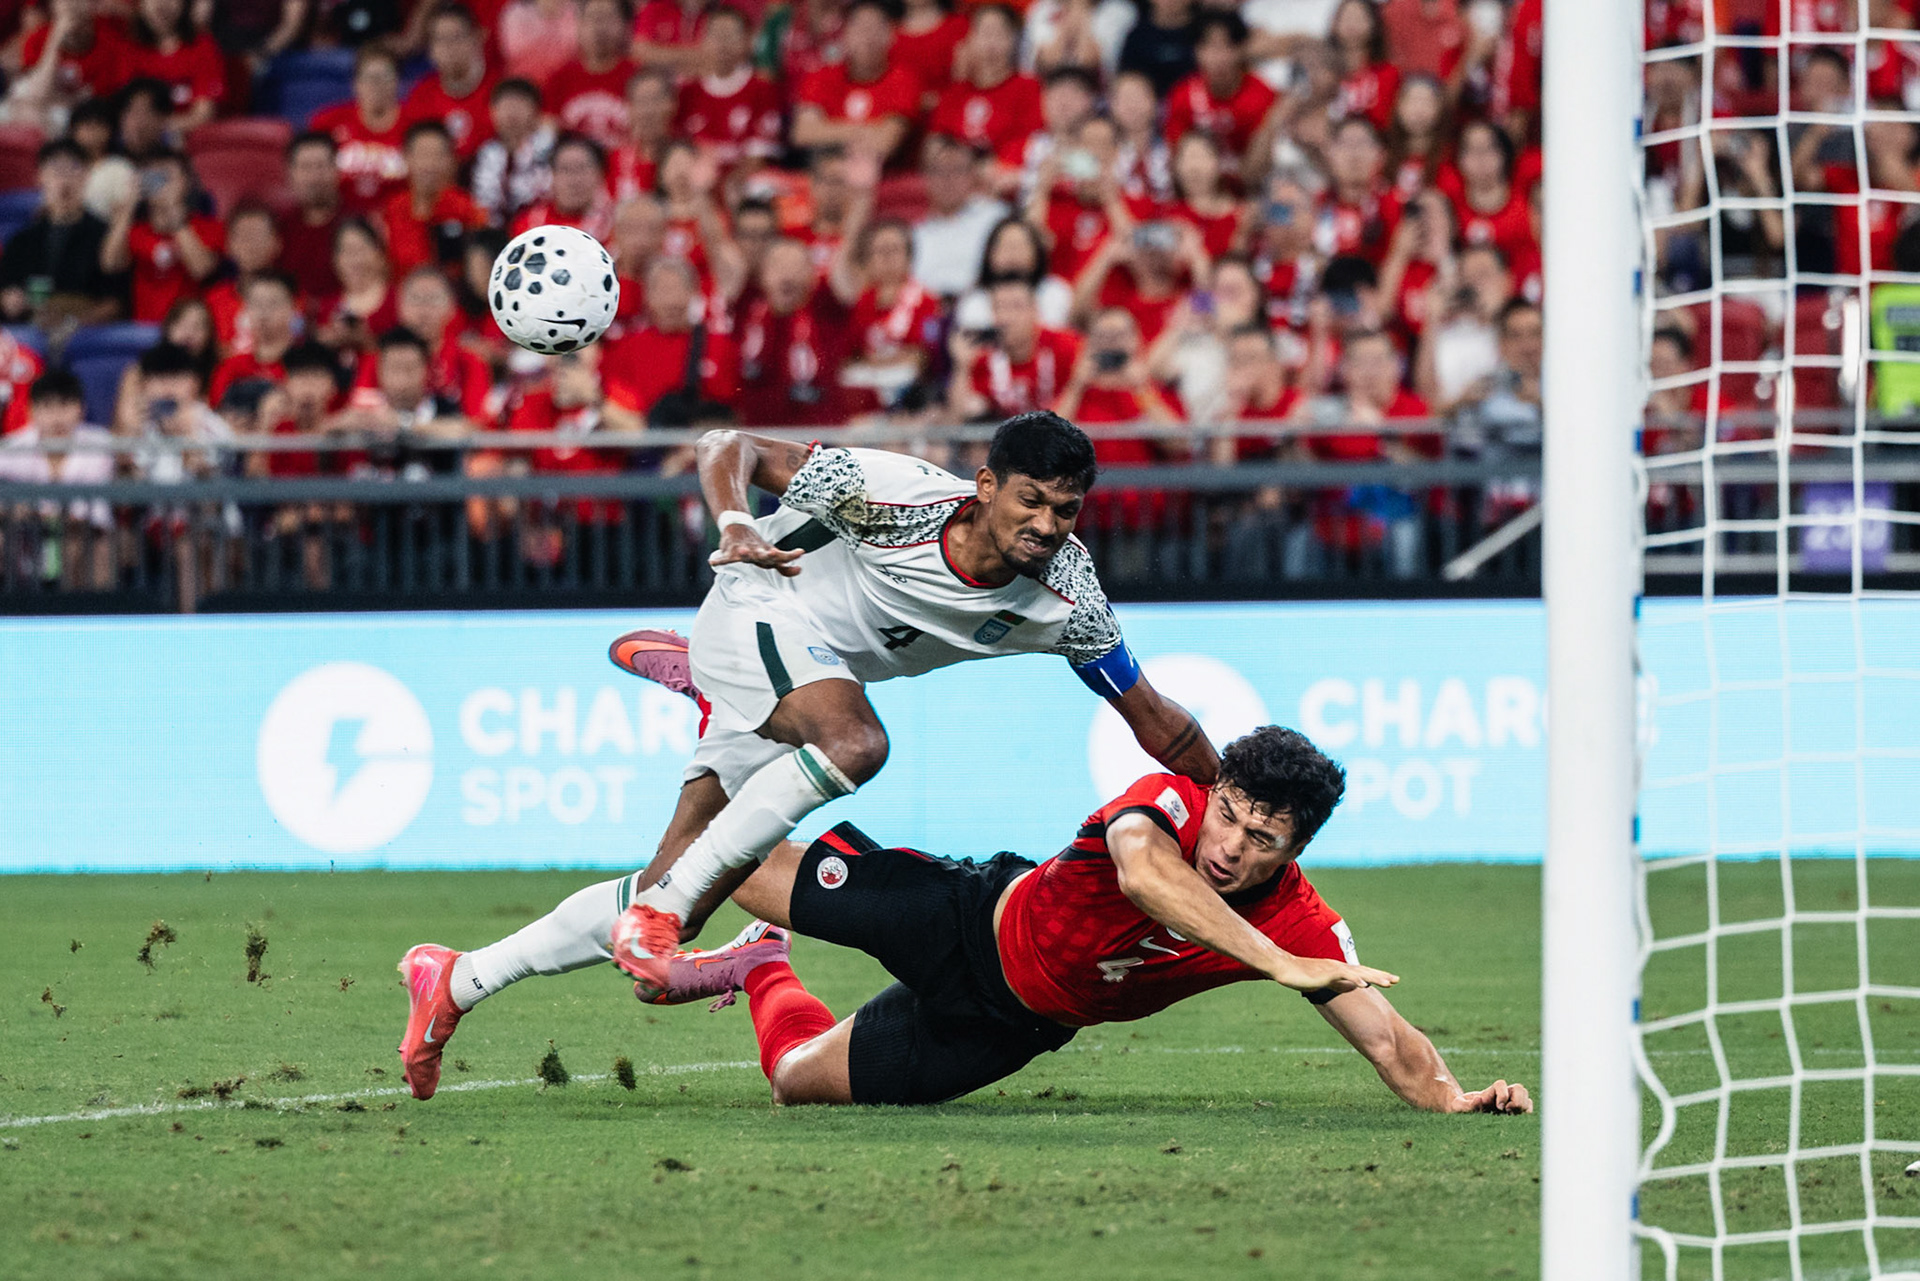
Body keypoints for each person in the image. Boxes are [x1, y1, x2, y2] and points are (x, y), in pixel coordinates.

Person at [395, 412, 1220, 1099]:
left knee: (666, 877)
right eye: (1030, 500)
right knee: (856, 743)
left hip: (807, 673)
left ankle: (457, 977)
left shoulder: (1068, 597)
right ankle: (698, 785)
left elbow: (1154, 718)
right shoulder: (892, 495)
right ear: (987, 487)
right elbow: (729, 445)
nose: (1045, 525)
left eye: (1065, 509)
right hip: (758, 602)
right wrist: (735, 523)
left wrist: (1230, 793)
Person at [633, 726, 1533, 1114]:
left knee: (795, 1084)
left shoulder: (1302, 924)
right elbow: (1145, 876)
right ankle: (741, 724)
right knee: (727, 859)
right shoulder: (1167, 801)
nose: (1231, 846)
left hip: (1013, 1026)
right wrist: (1273, 959)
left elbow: (1391, 1043)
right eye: (1229, 813)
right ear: (1212, 793)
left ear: (1293, 848)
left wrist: (1457, 1099)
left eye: (1262, 838)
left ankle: (762, 968)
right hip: (967, 916)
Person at [0, 370, 116, 592]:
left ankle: (87, 617)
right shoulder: (13, 448)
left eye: (64, 406)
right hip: (25, 536)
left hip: (83, 534)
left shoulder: (100, 444)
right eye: (47, 407)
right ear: (31, 411)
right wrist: (11, 509)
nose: (56, 418)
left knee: (88, 543)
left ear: (81, 409)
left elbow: (89, 513)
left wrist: (38, 510)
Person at [732, 237, 855, 427]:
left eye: (797, 267)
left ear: (812, 276)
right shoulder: (744, 308)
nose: (787, 275)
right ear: (762, 275)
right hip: (757, 437)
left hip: (819, 438)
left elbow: (847, 251)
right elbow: (718, 249)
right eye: (778, 266)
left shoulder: (827, 310)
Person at [0, 140, 121, 326]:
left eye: (73, 169)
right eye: (56, 170)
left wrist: (71, 324)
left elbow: (115, 302)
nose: (64, 180)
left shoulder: (105, 235)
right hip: (30, 333)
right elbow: (6, 290)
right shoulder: (21, 240)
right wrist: (8, 300)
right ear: (39, 176)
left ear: (87, 175)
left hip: (85, 335)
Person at [99, 150, 222, 326]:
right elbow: (110, 263)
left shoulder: (208, 227)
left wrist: (174, 215)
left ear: (186, 183)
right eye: (155, 178)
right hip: (143, 331)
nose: (161, 185)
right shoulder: (137, 230)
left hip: (189, 330)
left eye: (168, 177)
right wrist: (128, 207)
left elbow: (201, 270)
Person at [791, 0, 919, 165]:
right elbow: (803, 133)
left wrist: (828, 129)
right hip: (825, 171)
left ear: (890, 36)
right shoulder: (822, 75)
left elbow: (887, 141)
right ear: (845, 35)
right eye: (860, 28)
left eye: (875, 28)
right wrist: (865, 130)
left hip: (884, 174)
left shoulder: (903, 79)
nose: (867, 38)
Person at [947, 275, 1080, 419]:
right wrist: (962, 367)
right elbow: (958, 421)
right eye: (998, 308)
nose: (1006, 317)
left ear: (1035, 311)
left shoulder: (1068, 345)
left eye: (1016, 307)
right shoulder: (982, 355)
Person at [1163, 11, 1276, 177]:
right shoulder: (1183, 95)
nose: (1219, 57)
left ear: (1241, 50)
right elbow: (1176, 160)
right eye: (1209, 47)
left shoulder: (1262, 95)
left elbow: (1262, 166)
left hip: (1253, 190)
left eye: (1227, 46)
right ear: (1197, 51)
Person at [674, 6, 782, 177]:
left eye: (730, 35)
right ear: (703, 40)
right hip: (696, 185)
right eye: (716, 35)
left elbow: (760, 156)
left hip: (741, 185)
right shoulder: (687, 92)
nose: (723, 43)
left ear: (747, 41)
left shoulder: (762, 89)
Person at [928, 6, 1044, 164]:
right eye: (984, 33)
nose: (991, 43)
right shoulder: (954, 93)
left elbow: (1031, 141)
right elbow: (936, 143)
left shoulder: (1028, 88)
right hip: (956, 177)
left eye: (999, 34)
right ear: (970, 39)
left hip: (1003, 175)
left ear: (1014, 40)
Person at [379, 122, 487, 280]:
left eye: (438, 155)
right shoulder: (390, 211)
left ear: (452, 161)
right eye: (422, 154)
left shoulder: (468, 209)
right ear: (406, 158)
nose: (429, 164)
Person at [911, 135, 1010, 298]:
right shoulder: (916, 234)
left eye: (957, 170)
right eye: (939, 171)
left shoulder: (996, 217)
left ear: (972, 175)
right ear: (926, 178)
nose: (948, 179)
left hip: (983, 305)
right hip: (929, 311)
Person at [400, 2, 498, 164]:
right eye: (440, 39)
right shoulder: (421, 94)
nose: (448, 47)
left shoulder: (498, 91)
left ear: (477, 38)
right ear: (430, 49)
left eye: (456, 37)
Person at [311, 48, 410, 207]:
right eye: (369, 77)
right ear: (355, 83)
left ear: (398, 81)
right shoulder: (328, 122)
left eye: (385, 77)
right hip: (340, 217)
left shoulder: (415, 123)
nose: (377, 85)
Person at [544, 0, 639, 150]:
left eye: (608, 18)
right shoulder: (560, 78)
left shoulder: (638, 77)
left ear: (626, 25)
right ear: (579, 25)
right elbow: (547, 132)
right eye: (592, 18)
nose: (599, 28)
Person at [123, 0, 226, 133]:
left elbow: (203, 116)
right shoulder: (128, 48)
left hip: (186, 140)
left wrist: (154, 127)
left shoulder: (203, 47)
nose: (160, 5)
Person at [470, 79, 554, 226]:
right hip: (492, 233)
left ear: (536, 111)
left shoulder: (550, 149)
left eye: (519, 105)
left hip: (540, 227)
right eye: (505, 105)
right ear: (492, 111)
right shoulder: (484, 154)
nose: (512, 112)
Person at [279, 133, 348, 302]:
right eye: (306, 167)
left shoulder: (359, 221)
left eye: (321, 166)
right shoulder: (279, 227)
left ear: (336, 169)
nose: (314, 177)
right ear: (291, 173)